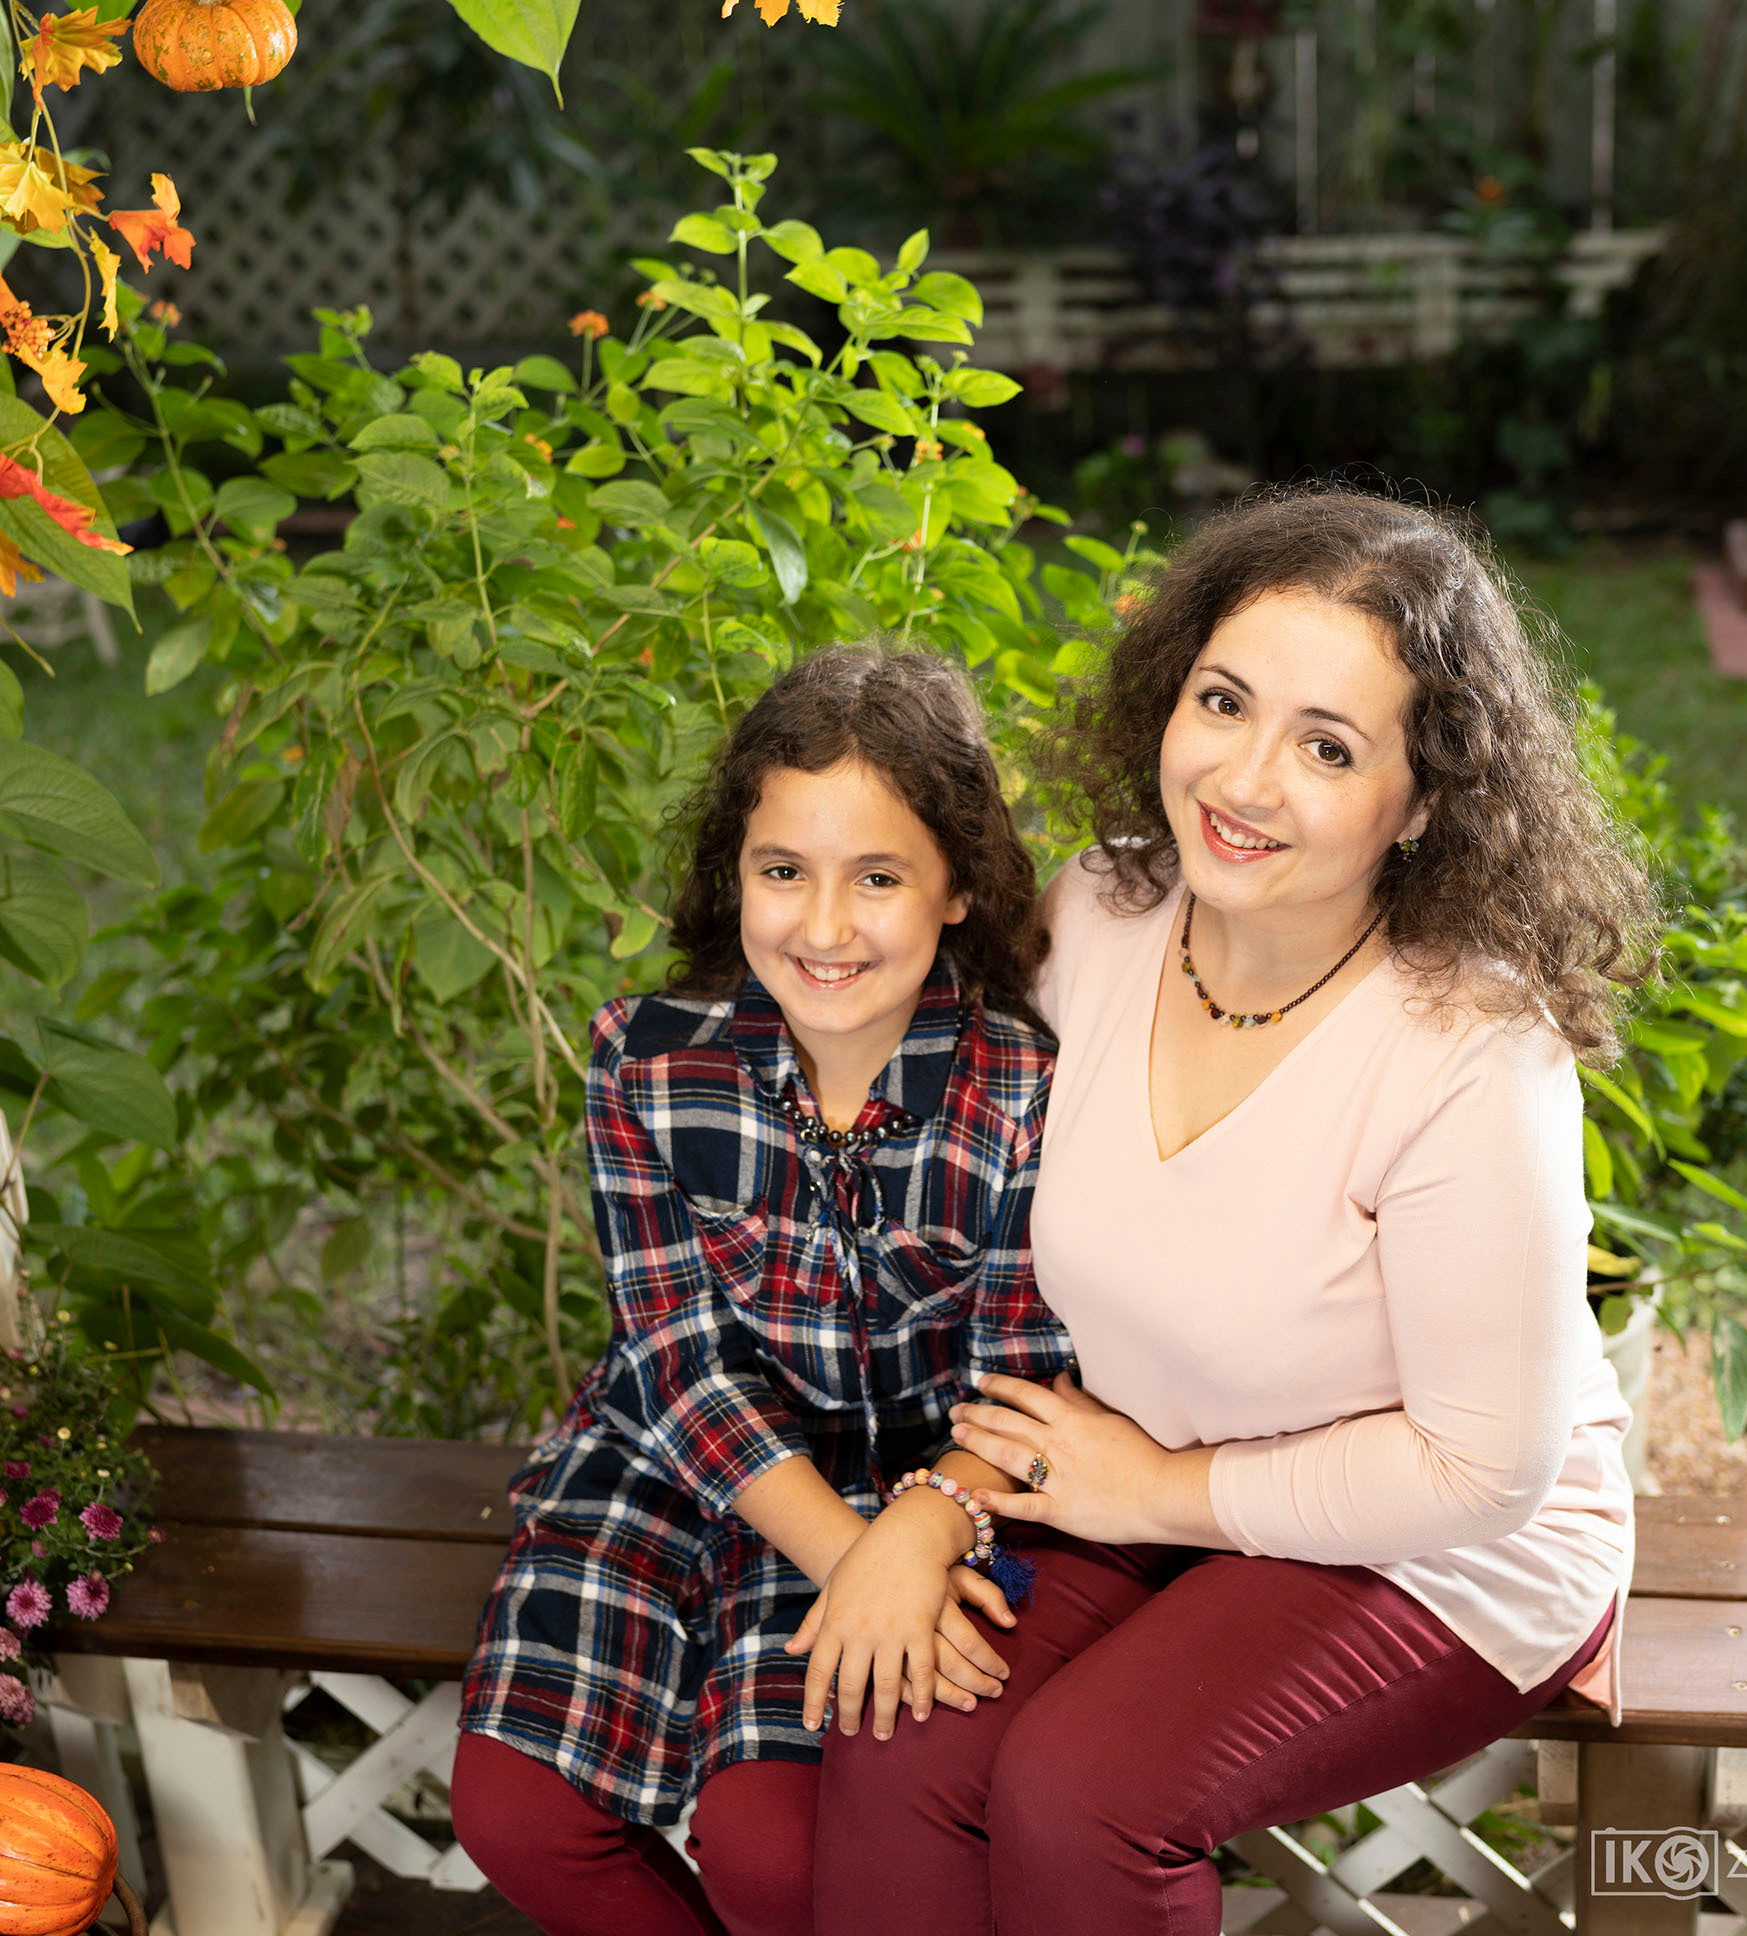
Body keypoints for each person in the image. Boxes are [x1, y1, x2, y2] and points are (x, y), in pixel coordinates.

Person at [812, 486, 1654, 1934]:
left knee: (1087, 1792)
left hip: (1441, 1544)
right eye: (1225, 702)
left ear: (1427, 802)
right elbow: (989, 1262)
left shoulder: (1470, 1056)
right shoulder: (1101, 918)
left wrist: (1154, 1493)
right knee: (899, 1736)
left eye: (1328, 746)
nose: (1244, 780)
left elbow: (1477, 1472)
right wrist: (938, 1501)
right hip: (1146, 1464)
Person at [452, 645, 1071, 1936]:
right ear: (733, 868)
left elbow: (1027, 1375)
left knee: (774, 1852)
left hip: (906, 1483)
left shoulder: (1025, 1087)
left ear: (960, 886)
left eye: (880, 877)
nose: (825, 927)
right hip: (672, 1462)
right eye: (783, 871)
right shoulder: (647, 1058)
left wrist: (907, 1539)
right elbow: (673, 1360)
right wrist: (857, 1568)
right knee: (519, 1811)